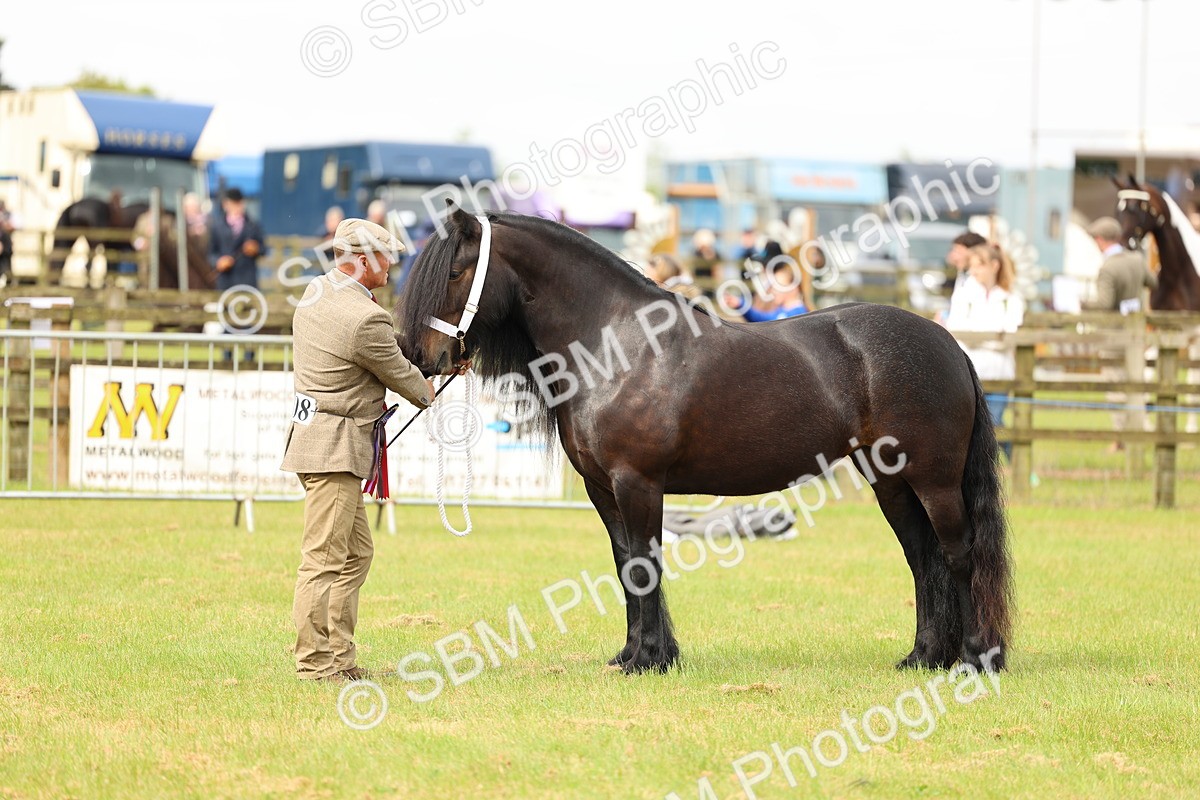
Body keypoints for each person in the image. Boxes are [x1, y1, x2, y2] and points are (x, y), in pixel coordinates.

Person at [281, 218, 435, 683]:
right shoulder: (364, 317)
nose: (393, 265)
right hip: (335, 449)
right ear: (363, 260)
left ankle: (339, 656)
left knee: (353, 556)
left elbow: (379, 354)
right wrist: (431, 385)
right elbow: (406, 379)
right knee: (325, 560)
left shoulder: (316, 294)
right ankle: (315, 663)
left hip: (314, 440)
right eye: (386, 257)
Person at [944, 243, 1024, 460]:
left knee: (994, 422)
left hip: (1000, 372)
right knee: (972, 425)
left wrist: (980, 337)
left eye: (979, 265)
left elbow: (1010, 334)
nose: (974, 271)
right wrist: (992, 336)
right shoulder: (963, 295)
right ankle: (986, 468)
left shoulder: (1011, 298)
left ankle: (1017, 463)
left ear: (994, 266)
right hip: (970, 372)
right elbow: (957, 329)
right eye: (972, 266)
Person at [1082, 216, 1156, 313]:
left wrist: (1082, 304)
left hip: (1115, 326)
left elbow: (1104, 304)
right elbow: (1153, 282)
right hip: (1137, 325)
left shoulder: (1107, 269)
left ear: (1099, 239)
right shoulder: (1138, 259)